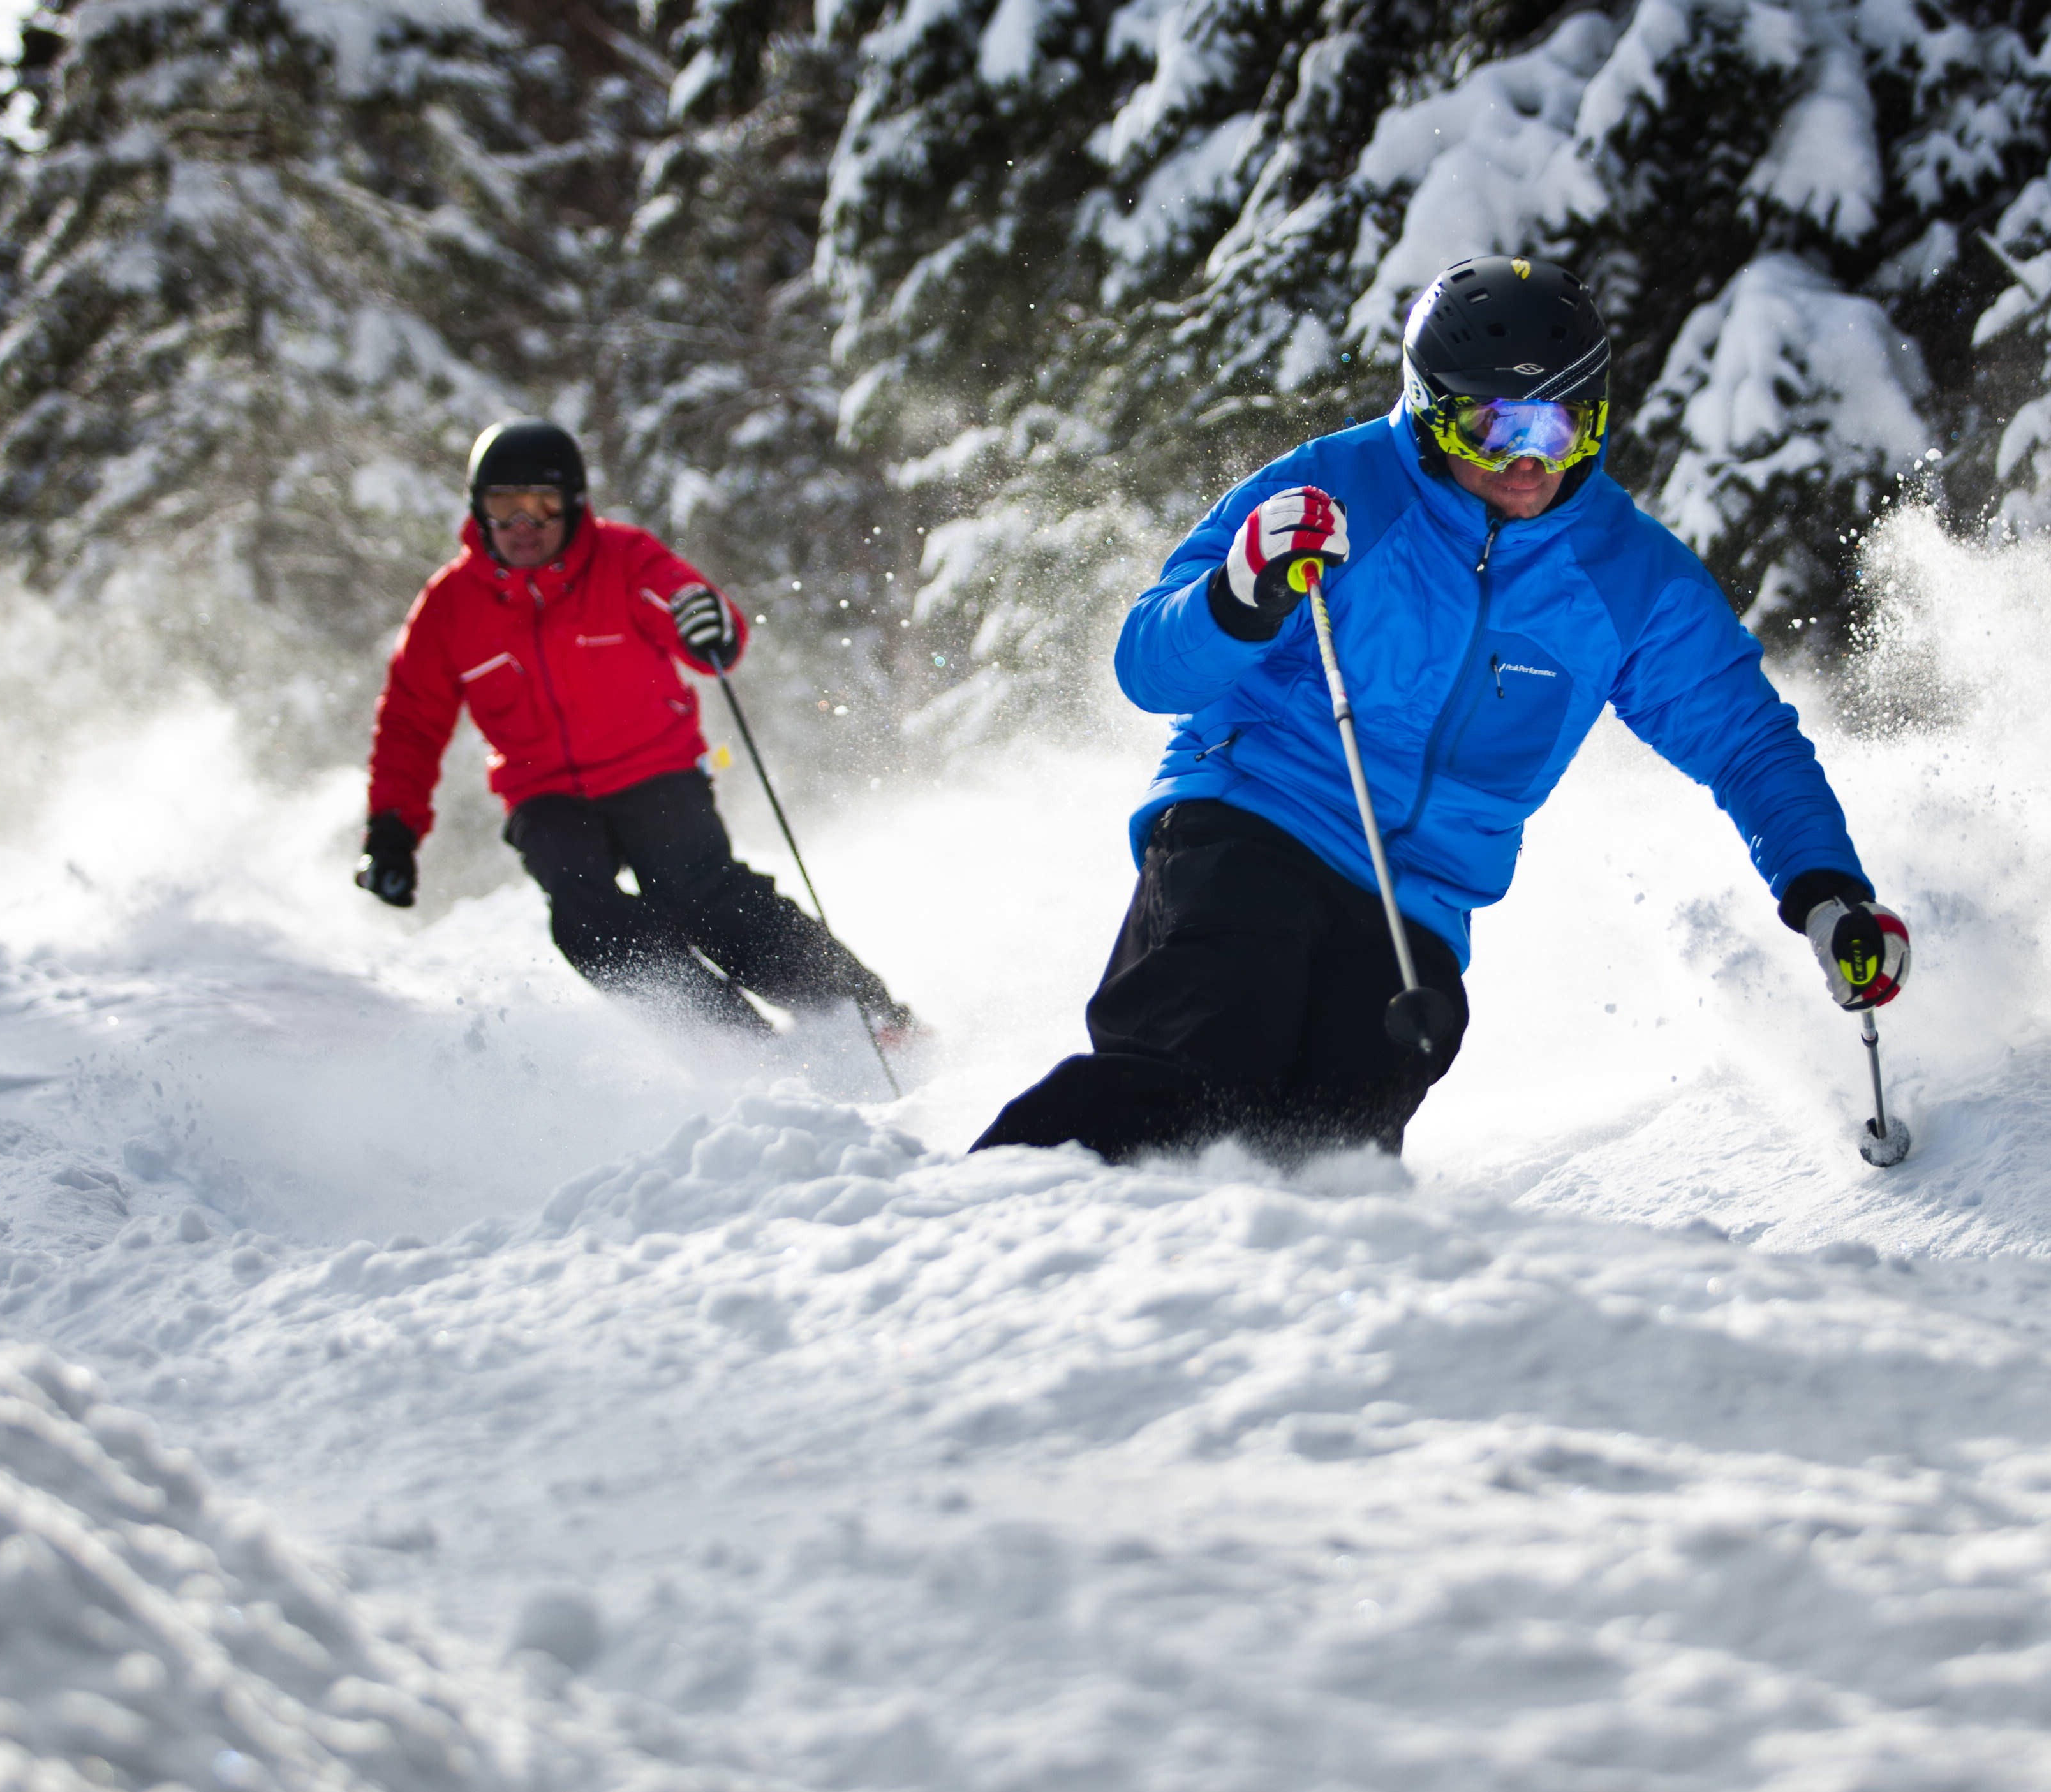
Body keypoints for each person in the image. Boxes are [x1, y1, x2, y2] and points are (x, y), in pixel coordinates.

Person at [974, 256, 1907, 1165]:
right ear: (1431, 412)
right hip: (1253, 823)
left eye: (1562, 428)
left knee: (1330, 1146)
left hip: (1416, 902)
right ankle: (1001, 1215)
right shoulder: (1338, 487)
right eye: (1495, 430)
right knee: (1203, 1059)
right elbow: (1148, 665)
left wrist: (1826, 889)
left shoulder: (1629, 574)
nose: (1529, 463)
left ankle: (1252, 1303)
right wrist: (1237, 596)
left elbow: (1744, 740)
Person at [355, 418, 913, 1046]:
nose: (523, 526)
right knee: (582, 916)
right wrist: (393, 832)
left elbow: (690, 612)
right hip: (545, 791)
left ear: (572, 506)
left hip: (653, 767)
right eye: (504, 506)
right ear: (478, 512)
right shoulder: (451, 606)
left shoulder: (622, 561)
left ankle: (866, 1015)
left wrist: (712, 628)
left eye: (541, 506)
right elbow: (409, 723)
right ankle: (737, 1046)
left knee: (697, 890)